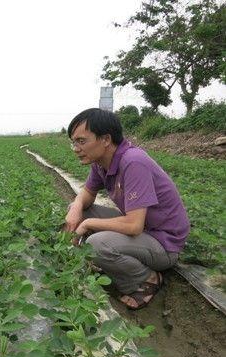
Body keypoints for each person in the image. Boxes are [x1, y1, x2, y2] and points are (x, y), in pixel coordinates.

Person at [64, 108, 190, 310]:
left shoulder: (133, 162)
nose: (76, 148)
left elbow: (133, 225)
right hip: (145, 230)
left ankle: (146, 279)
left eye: (81, 141)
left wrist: (87, 224)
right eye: (73, 142)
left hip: (164, 243)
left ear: (105, 139)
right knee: (78, 210)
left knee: (96, 243)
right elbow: (87, 193)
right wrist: (76, 207)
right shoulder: (101, 162)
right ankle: (109, 260)